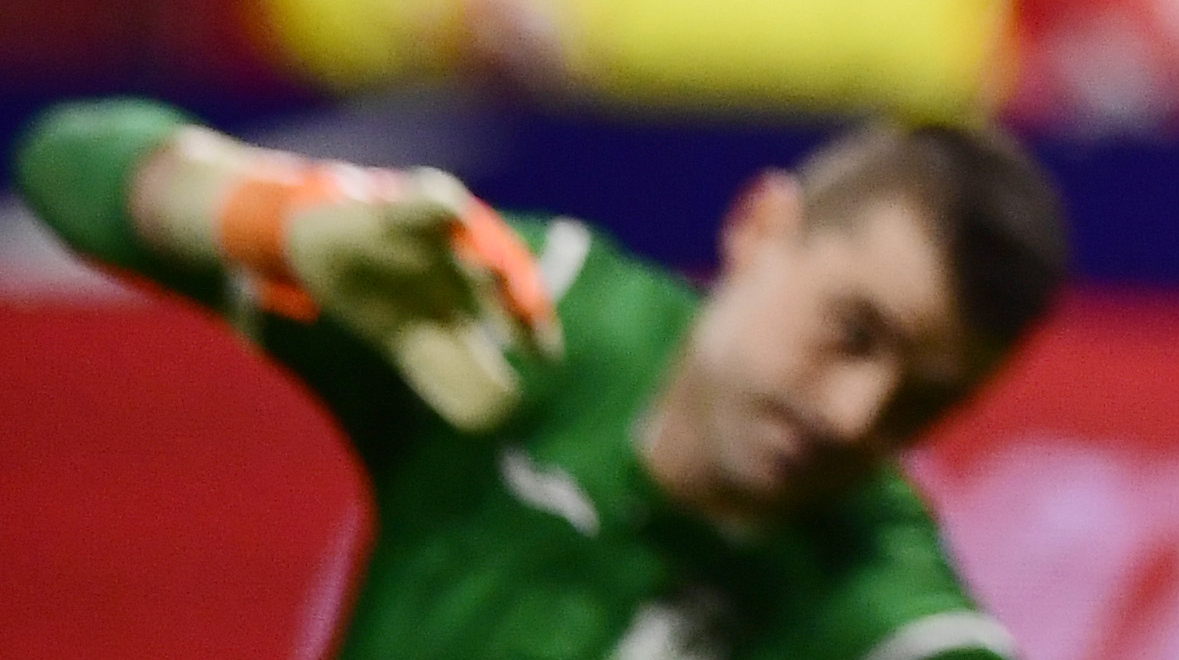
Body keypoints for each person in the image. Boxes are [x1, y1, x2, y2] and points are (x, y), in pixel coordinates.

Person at [13, 96, 1064, 660]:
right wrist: (279, 221)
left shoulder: (880, 607)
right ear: (762, 227)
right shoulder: (524, 319)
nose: (856, 413)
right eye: (852, 331)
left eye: (924, 402)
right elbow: (70, 159)